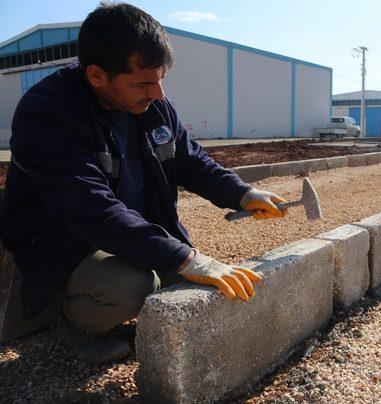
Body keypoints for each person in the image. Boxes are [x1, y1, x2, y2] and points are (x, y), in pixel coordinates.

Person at [0, 2, 288, 364]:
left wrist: (243, 193)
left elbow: (191, 161)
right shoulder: (48, 114)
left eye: (160, 79)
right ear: (96, 75)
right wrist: (187, 258)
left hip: (129, 230)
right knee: (134, 286)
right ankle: (78, 323)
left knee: (181, 281)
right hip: (64, 241)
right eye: (143, 83)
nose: (159, 94)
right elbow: (92, 210)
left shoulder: (150, 105)